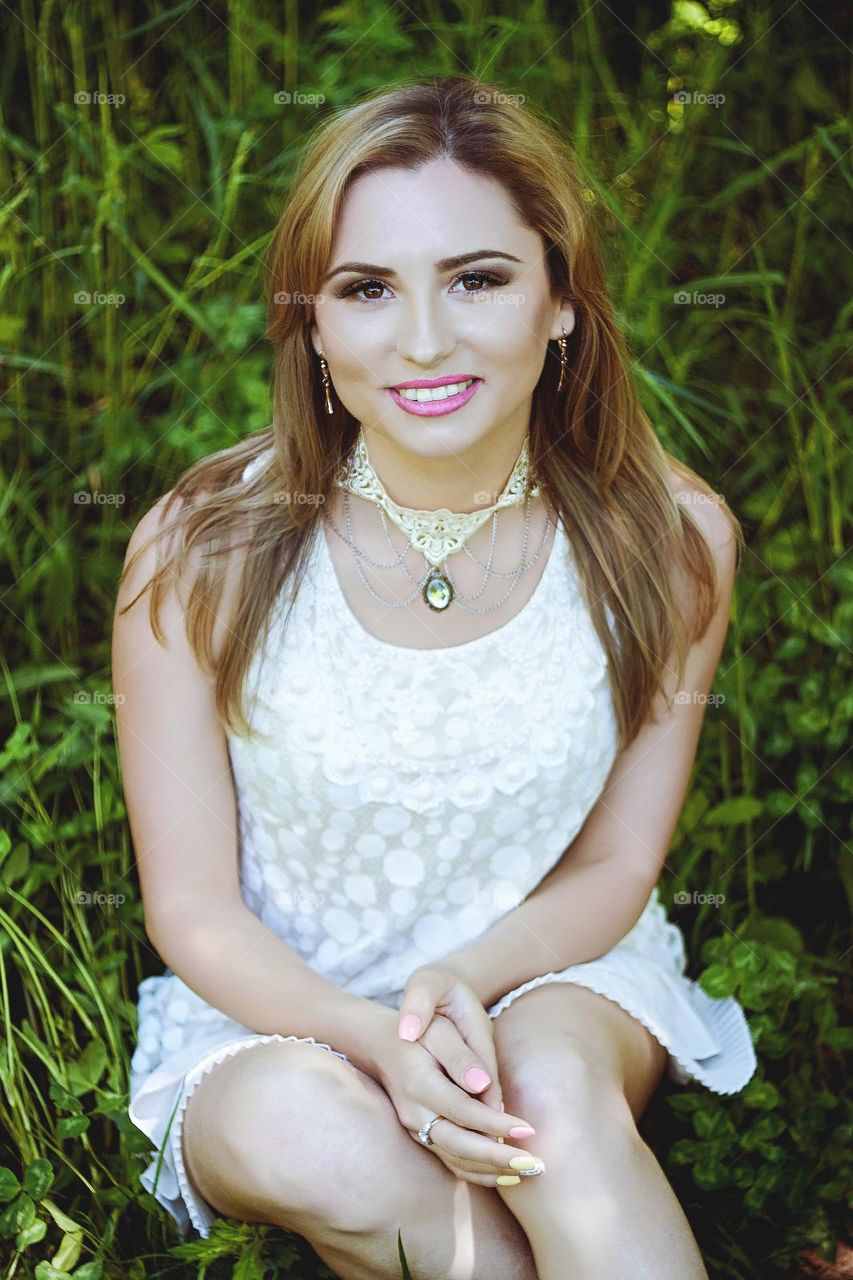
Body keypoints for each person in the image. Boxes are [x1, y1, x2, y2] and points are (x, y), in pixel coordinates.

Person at [112, 73, 757, 1280]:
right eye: (367, 289)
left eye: (477, 278)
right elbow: (190, 907)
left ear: (561, 298)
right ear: (311, 321)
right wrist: (373, 1035)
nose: (421, 340)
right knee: (351, 1157)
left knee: (548, 1104)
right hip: (273, 1007)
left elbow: (618, 861)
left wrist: (465, 979)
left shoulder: (666, 542)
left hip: (552, 968)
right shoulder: (204, 548)